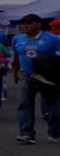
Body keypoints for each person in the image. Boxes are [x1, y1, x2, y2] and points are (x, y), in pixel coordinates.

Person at [10, 13, 60, 144]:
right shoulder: (18, 39)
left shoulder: (52, 38)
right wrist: (15, 74)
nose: (24, 25)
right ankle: (27, 134)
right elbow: (15, 57)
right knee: (23, 104)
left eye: (28, 23)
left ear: (38, 24)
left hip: (47, 77)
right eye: (23, 23)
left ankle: (54, 132)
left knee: (54, 106)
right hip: (26, 75)